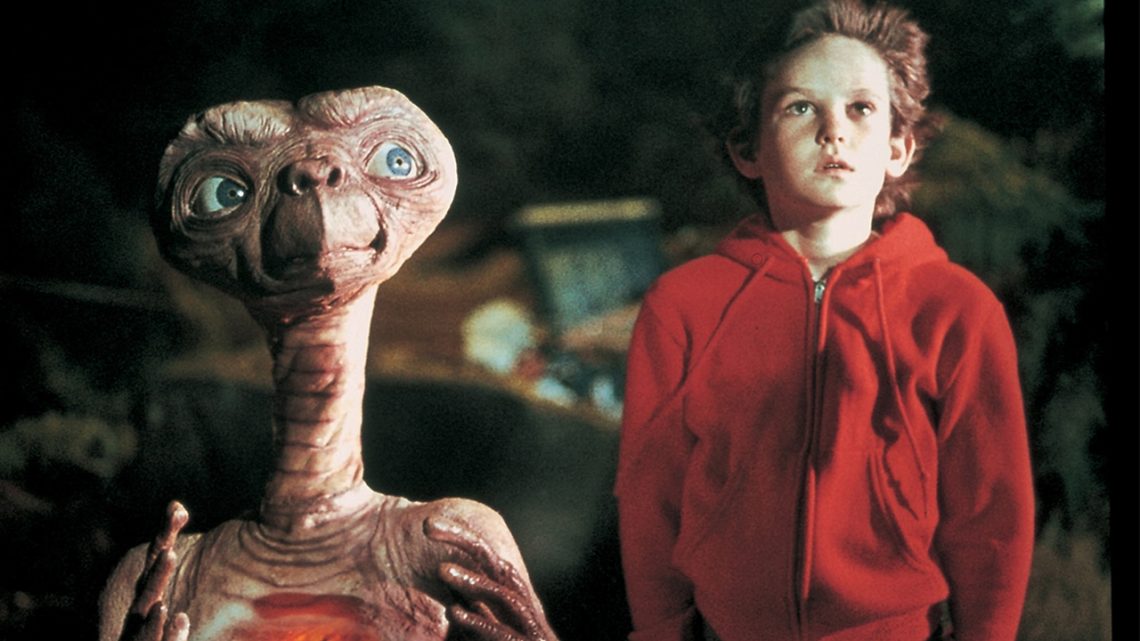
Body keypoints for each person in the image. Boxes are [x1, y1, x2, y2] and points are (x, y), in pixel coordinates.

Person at [614, 1, 1035, 640]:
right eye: (800, 108)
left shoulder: (956, 310)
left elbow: (992, 514)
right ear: (748, 149)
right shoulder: (683, 307)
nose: (833, 131)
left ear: (899, 147)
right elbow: (651, 503)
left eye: (861, 108)